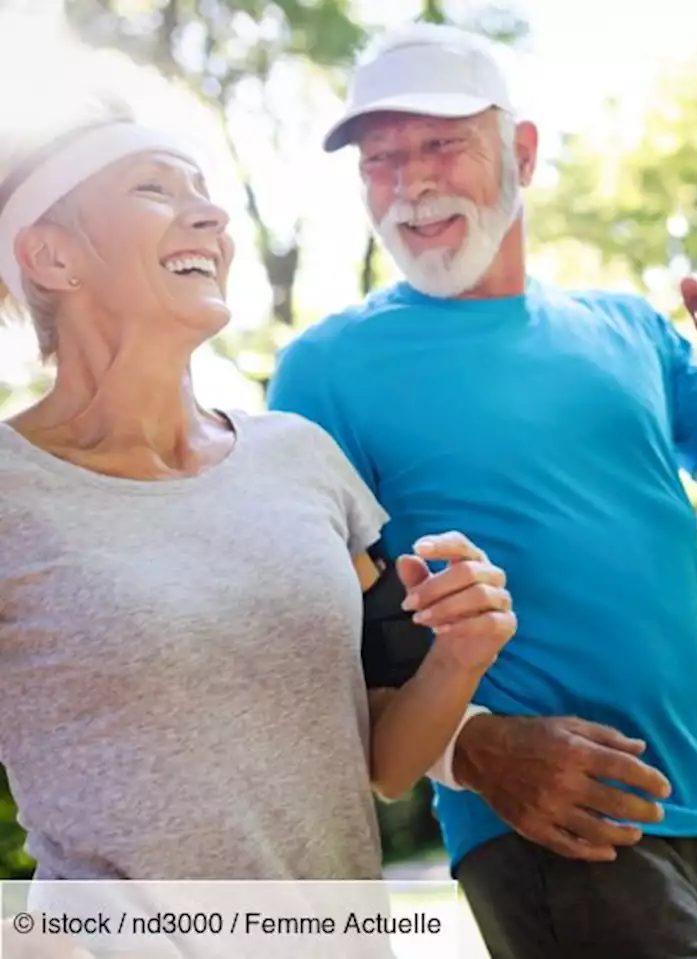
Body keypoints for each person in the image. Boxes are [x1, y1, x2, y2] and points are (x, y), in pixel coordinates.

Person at [268, 23, 697, 959]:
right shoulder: (325, 371)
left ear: (522, 154)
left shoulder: (626, 330)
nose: (409, 183)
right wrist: (481, 751)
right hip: (552, 823)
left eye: (441, 146)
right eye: (381, 160)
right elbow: (322, 645)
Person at [0, 98, 518, 897]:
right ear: (52, 255)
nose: (210, 216)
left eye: (205, 192)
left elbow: (387, 761)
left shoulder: (303, 458)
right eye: (153, 189)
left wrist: (460, 653)